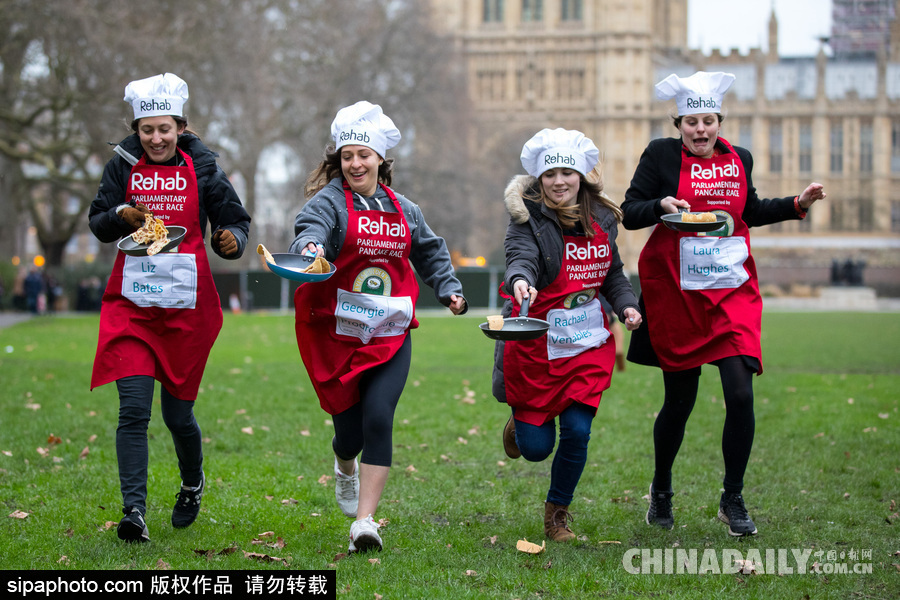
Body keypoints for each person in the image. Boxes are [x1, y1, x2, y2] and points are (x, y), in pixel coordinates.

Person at [622, 71, 826, 537]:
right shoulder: (659, 156)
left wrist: (797, 202)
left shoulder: (740, 158)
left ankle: (732, 497)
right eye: (691, 121)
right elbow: (630, 211)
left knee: (739, 391)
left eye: (708, 120)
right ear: (678, 123)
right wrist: (660, 207)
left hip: (730, 289)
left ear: (719, 121)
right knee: (680, 402)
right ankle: (662, 490)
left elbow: (748, 211)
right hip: (676, 292)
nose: (700, 129)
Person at [290, 101, 467, 553]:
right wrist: (309, 244)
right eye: (347, 156)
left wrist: (449, 289)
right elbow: (312, 225)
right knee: (349, 434)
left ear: (381, 160)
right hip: (338, 335)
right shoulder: (330, 200)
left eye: (363, 155)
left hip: (390, 332)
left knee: (379, 418)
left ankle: (365, 523)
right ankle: (344, 462)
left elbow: (430, 250)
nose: (354, 164)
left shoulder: (404, 208)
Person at [88, 73, 251, 543]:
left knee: (178, 416)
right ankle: (133, 512)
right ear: (136, 129)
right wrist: (121, 214)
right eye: (146, 129)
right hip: (133, 305)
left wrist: (231, 240)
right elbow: (99, 221)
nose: (156, 138)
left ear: (180, 126)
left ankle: (191, 481)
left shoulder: (203, 167)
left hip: (186, 308)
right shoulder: (122, 165)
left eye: (164, 128)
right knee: (133, 410)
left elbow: (234, 221)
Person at [492, 128, 642, 542]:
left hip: (586, 344)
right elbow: (519, 258)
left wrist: (628, 304)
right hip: (536, 346)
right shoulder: (527, 219)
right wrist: (521, 280)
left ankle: (557, 515)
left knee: (577, 431)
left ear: (581, 175)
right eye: (550, 174)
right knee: (537, 448)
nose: (559, 181)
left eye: (567, 172)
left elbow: (612, 273)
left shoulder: (604, 220)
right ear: (540, 180)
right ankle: (521, 427)